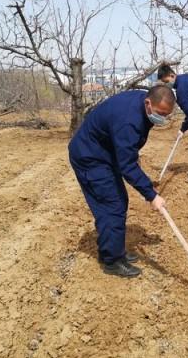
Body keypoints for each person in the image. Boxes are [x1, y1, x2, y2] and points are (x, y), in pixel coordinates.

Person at [68, 86, 176, 278]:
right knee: (112, 205)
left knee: (117, 202)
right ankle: (112, 261)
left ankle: (111, 249)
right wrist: (151, 195)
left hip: (104, 153)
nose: (162, 119)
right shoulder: (129, 120)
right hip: (90, 157)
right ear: (148, 103)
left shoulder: (142, 105)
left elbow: (127, 151)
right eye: (160, 114)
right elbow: (127, 166)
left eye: (166, 115)